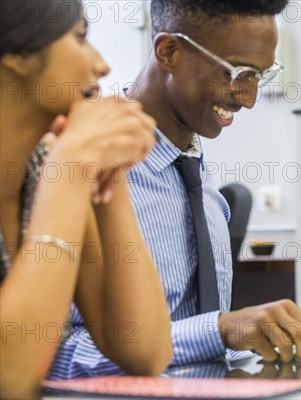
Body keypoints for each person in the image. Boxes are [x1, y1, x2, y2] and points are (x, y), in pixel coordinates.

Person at [52, 0, 301, 379]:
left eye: (260, 77)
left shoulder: (199, 182)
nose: (249, 98)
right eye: (240, 73)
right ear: (170, 52)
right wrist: (217, 331)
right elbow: (51, 355)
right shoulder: (85, 177)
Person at [0, 0, 173, 396]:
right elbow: (8, 377)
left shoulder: (42, 165)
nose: (102, 65)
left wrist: (109, 172)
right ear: (16, 55)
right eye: (80, 38)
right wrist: (74, 164)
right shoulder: (60, 168)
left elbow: (145, 351)